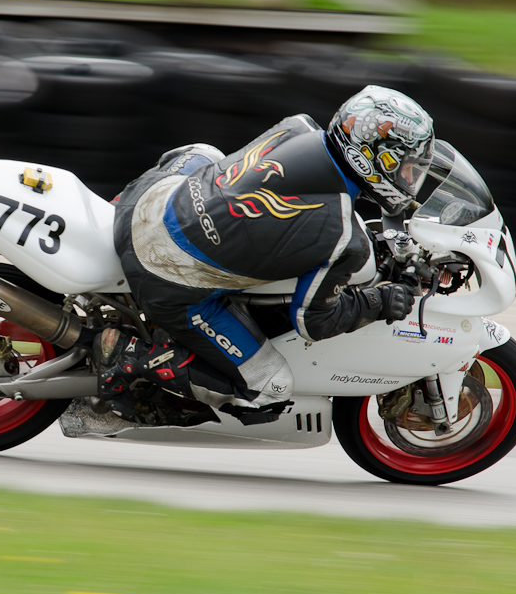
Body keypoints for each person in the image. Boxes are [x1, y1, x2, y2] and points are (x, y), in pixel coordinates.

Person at [95, 85, 437, 425]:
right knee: (270, 387)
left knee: (205, 152)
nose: (408, 178)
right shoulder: (343, 237)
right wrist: (380, 302)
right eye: (407, 167)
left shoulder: (297, 126)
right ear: (376, 156)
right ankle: (131, 357)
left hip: (144, 202)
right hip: (164, 272)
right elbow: (313, 323)